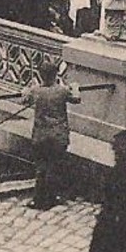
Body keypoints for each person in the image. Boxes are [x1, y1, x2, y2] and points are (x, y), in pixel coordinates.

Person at [22, 60, 80, 209]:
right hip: (59, 134)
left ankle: (39, 199)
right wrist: (74, 87)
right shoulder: (62, 91)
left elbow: (25, 99)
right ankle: (54, 197)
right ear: (55, 75)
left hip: (41, 135)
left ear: (41, 75)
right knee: (56, 166)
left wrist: (26, 89)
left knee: (41, 167)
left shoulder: (36, 91)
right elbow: (76, 98)